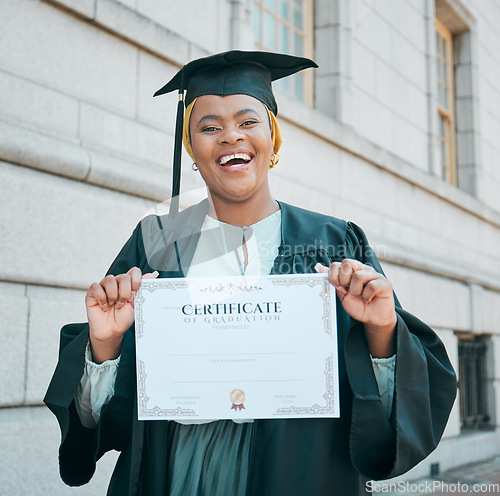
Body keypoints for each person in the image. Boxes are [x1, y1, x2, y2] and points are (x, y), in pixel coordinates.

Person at [44, 51, 457, 496]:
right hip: (176, 470)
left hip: (301, 470)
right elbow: (106, 422)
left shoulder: (332, 241)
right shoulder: (158, 242)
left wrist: (382, 330)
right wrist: (105, 345)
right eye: (209, 127)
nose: (229, 137)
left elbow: (389, 413)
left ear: (273, 139)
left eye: (247, 121)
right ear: (192, 149)